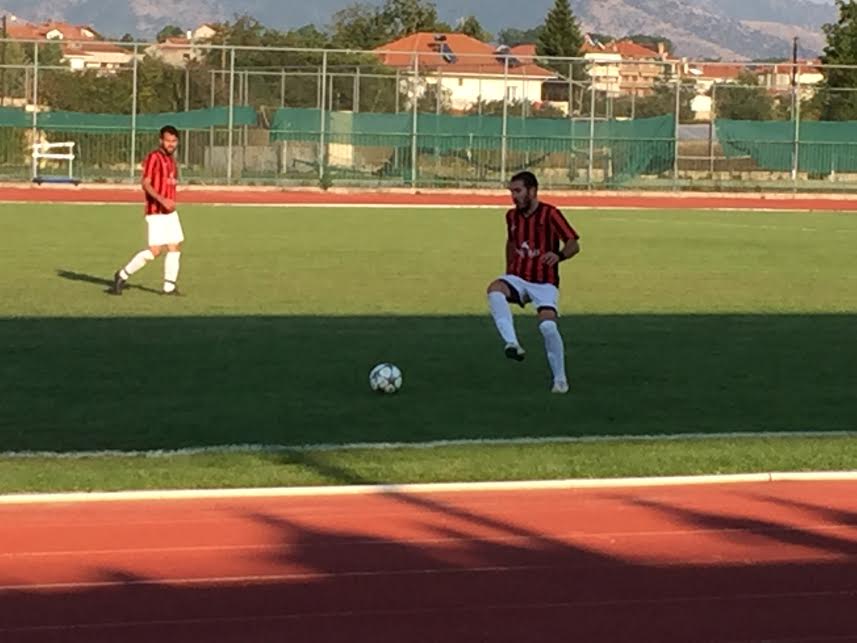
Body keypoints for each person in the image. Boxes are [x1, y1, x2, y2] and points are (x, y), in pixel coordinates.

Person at [486, 171, 581, 394]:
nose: (514, 196)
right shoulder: (511, 216)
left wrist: (559, 256)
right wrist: (509, 270)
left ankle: (560, 380)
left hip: (544, 282)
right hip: (518, 277)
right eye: (511, 191)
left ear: (532, 191)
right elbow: (511, 243)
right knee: (495, 289)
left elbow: (573, 244)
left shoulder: (550, 214)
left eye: (518, 191)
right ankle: (512, 343)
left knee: (548, 326)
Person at [109, 125, 184, 296]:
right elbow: (145, 183)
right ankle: (122, 275)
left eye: (174, 141)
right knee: (155, 251)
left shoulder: (172, 161)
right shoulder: (154, 157)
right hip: (156, 212)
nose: (171, 144)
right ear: (161, 141)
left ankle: (169, 287)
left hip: (170, 213)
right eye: (168, 141)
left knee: (175, 246)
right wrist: (162, 200)